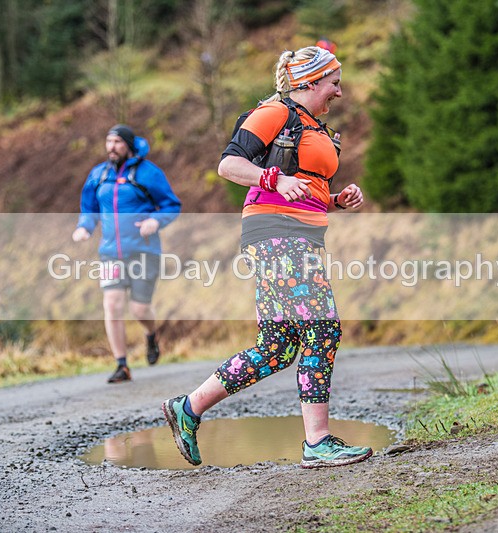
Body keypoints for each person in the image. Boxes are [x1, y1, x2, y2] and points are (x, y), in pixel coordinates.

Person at [162, 45, 371, 468]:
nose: (340, 92)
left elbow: (301, 185)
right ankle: (317, 442)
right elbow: (229, 165)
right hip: (277, 234)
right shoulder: (276, 112)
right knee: (322, 328)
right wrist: (273, 179)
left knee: (277, 347)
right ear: (310, 82)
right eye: (334, 83)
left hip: (299, 233)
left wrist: (334, 198)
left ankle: (188, 407)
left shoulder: (314, 125)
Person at [73, 124, 181, 383]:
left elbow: (171, 205)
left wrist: (155, 221)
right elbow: (89, 208)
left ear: (129, 146)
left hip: (144, 251)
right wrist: (84, 227)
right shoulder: (98, 175)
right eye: (108, 141)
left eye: (118, 142)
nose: (112, 147)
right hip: (110, 253)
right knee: (111, 305)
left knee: (139, 308)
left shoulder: (148, 173)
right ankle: (122, 365)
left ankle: (151, 336)